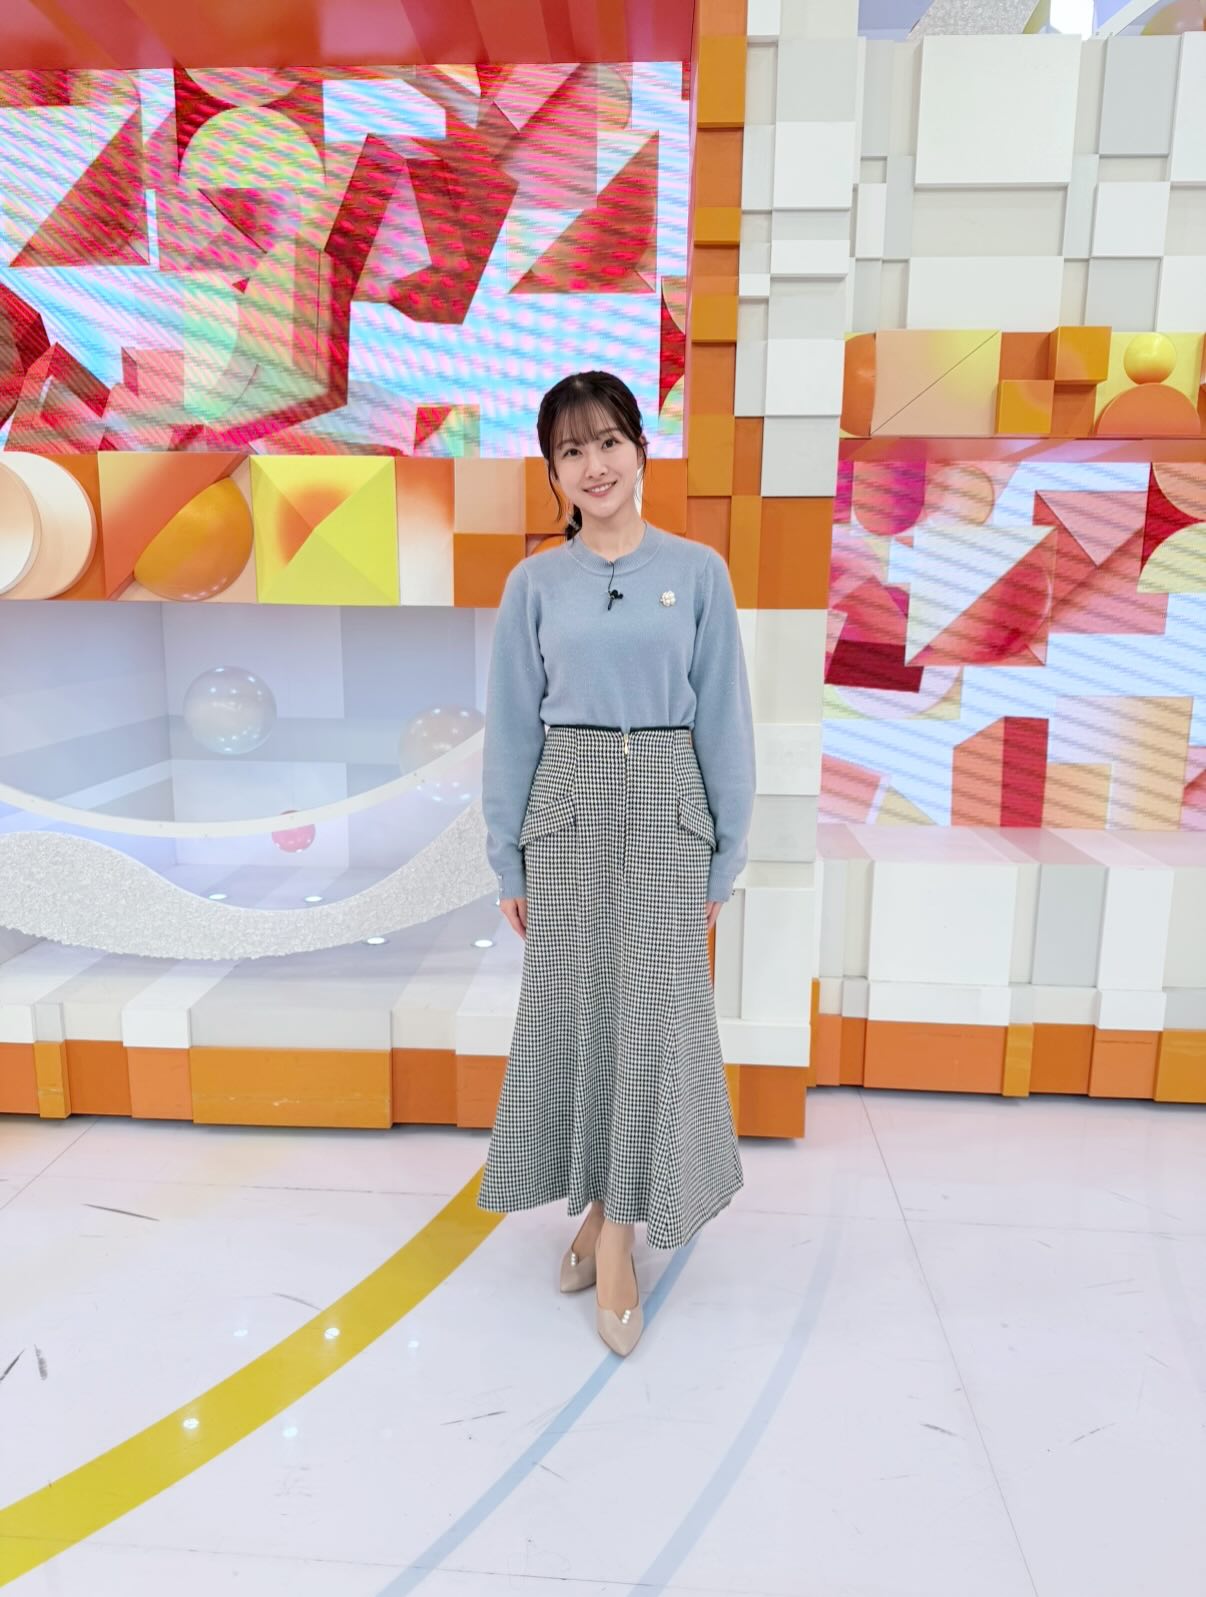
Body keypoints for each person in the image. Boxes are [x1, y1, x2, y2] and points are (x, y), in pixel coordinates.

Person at [477, 370, 756, 1356]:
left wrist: (724, 857)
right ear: (553, 472)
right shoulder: (533, 585)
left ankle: (619, 1234)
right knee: (579, 1017)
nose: (592, 465)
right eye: (571, 451)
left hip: (668, 811)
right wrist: (508, 861)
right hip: (567, 811)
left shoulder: (700, 572)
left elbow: (725, 721)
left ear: (640, 449)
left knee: (654, 1022)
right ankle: (600, 1209)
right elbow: (512, 729)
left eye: (607, 442)